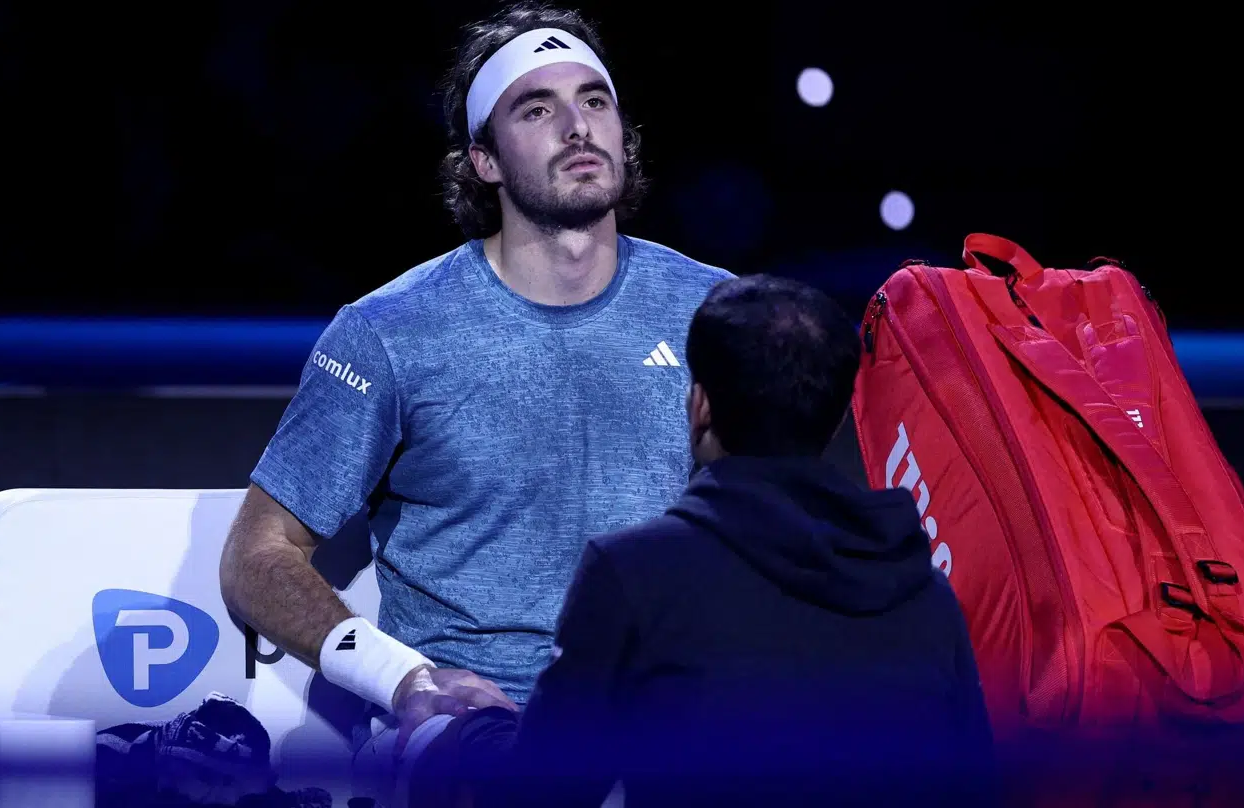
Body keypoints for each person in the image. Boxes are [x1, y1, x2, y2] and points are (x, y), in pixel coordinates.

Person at [217, 0, 732, 800]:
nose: (578, 127)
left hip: (663, 734)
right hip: (472, 742)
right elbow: (257, 556)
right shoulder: (389, 331)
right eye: (538, 109)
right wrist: (403, 681)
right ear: (484, 161)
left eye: (594, 100)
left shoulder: (717, 310)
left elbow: (769, 514)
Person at [417, 275, 998, 808]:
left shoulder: (635, 576)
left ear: (699, 407)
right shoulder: (924, 594)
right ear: (839, 417)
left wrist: (460, 734)